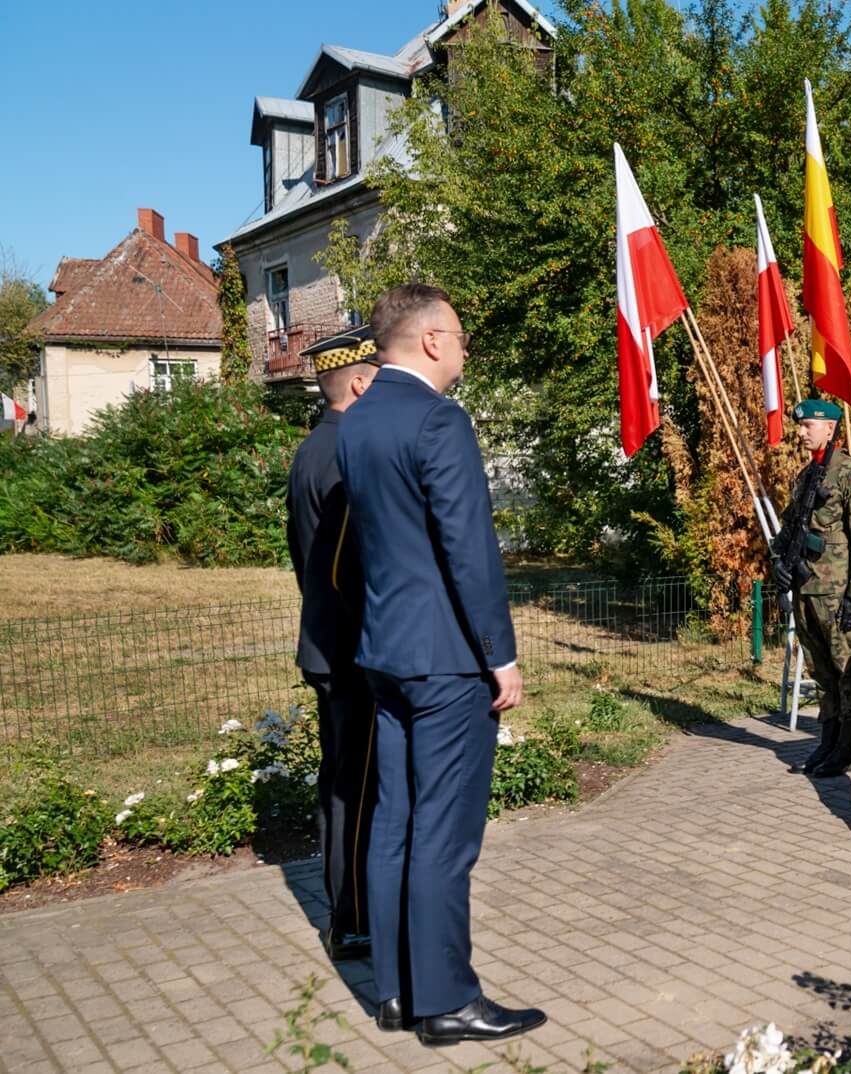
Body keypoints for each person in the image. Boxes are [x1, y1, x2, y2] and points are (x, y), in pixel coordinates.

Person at [336, 284, 543, 1047]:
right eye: (457, 335)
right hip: (447, 661)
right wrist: (501, 656)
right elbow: (469, 550)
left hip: (385, 652)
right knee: (444, 835)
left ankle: (396, 991)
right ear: (429, 340)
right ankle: (448, 1001)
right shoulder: (438, 419)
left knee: (394, 820)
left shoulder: (356, 420)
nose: (463, 348)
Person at [286, 325, 381, 963]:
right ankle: (353, 920)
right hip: (355, 649)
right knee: (358, 787)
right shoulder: (350, 452)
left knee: (341, 780)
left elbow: (306, 558)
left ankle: (348, 910)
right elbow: (354, 568)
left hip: (327, 642)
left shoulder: (313, 448)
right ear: (360, 382)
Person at [773, 398, 851, 780]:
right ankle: (828, 740)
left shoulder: (850, 474)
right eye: (800, 426)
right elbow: (790, 525)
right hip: (806, 587)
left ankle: (846, 747)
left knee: (845, 668)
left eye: (808, 426)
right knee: (820, 669)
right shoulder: (807, 475)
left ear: (830, 428)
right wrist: (779, 562)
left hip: (836, 591)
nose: (801, 433)